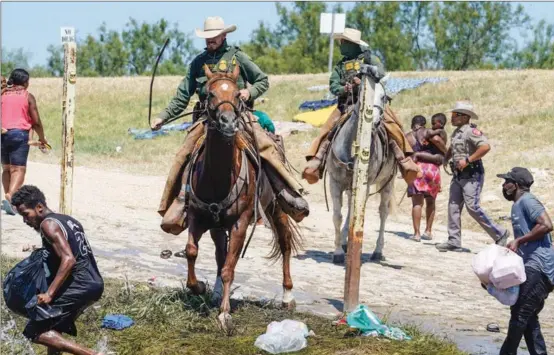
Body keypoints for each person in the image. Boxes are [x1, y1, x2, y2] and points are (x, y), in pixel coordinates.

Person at [151, 16, 308, 235]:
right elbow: (182, 96)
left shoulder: (238, 57)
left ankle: (287, 193)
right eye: (207, 38)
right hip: (207, 120)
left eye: (214, 37)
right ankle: (177, 202)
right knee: (184, 153)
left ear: (224, 35)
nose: (210, 41)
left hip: (239, 116)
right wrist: (163, 117)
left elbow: (262, 80)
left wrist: (248, 92)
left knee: (265, 146)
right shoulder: (198, 62)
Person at [301, 27, 420, 185]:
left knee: (393, 125)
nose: (341, 45)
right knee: (327, 128)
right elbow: (333, 86)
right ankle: (318, 159)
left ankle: (403, 159)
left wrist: (364, 79)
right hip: (347, 105)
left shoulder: (369, 57)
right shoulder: (340, 65)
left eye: (343, 42)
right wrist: (345, 88)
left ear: (351, 43)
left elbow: (382, 75)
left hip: (373, 102)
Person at [11, 185, 105, 355]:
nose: (25, 221)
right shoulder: (69, 220)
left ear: (39, 207)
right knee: (53, 327)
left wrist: (50, 294)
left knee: (34, 330)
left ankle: (87, 354)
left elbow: (69, 259)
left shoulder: (48, 224)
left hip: (80, 284)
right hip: (94, 283)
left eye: (26, 215)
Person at [495, 167, 554, 355]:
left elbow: (547, 225)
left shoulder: (528, 201)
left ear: (517, 185)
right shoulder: (518, 205)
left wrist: (520, 240)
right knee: (528, 315)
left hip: (541, 266)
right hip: (532, 265)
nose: (504, 186)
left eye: (507, 182)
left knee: (520, 313)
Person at [436, 101, 508, 252]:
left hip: (472, 175)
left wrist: (468, 160)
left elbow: (485, 146)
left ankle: (500, 233)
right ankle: (454, 241)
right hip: (458, 175)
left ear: (464, 117)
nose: (452, 118)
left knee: (473, 207)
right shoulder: (457, 132)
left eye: (455, 115)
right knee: (453, 207)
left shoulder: (471, 131)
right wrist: (446, 157)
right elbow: (453, 147)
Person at [1, 69, 48, 216]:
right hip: (19, 134)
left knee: (7, 169)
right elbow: (36, 121)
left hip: (2, 134)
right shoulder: (28, 96)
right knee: (18, 169)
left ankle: (8, 199)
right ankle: (10, 196)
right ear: (26, 82)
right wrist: (42, 138)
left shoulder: (2, 95)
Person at [405, 113, 447, 241]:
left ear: (413, 125)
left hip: (417, 169)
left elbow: (404, 153)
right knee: (431, 201)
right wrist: (446, 153)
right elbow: (438, 141)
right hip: (432, 169)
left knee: (417, 203)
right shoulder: (429, 132)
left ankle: (416, 234)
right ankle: (428, 231)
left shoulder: (408, 136)